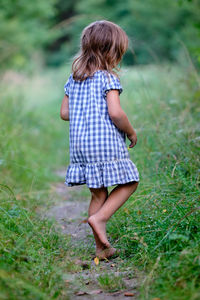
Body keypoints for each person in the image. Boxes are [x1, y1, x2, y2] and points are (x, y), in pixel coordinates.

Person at [60, 20, 139, 260]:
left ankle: (100, 249)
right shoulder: (108, 79)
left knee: (98, 194)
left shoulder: (74, 79)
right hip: (105, 144)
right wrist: (131, 131)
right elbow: (115, 113)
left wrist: (86, 110)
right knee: (130, 182)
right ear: (112, 51)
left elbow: (64, 113)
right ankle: (100, 218)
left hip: (81, 147)